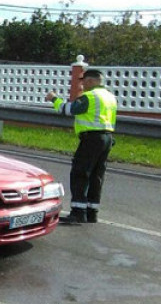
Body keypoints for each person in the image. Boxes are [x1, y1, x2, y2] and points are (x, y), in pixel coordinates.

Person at [45, 69, 117, 223]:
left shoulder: (90, 97)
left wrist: (54, 99)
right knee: (97, 175)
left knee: (80, 173)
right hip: (107, 138)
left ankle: (78, 212)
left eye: (83, 81)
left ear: (90, 81)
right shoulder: (110, 97)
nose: (82, 84)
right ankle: (92, 212)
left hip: (91, 139)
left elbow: (68, 110)